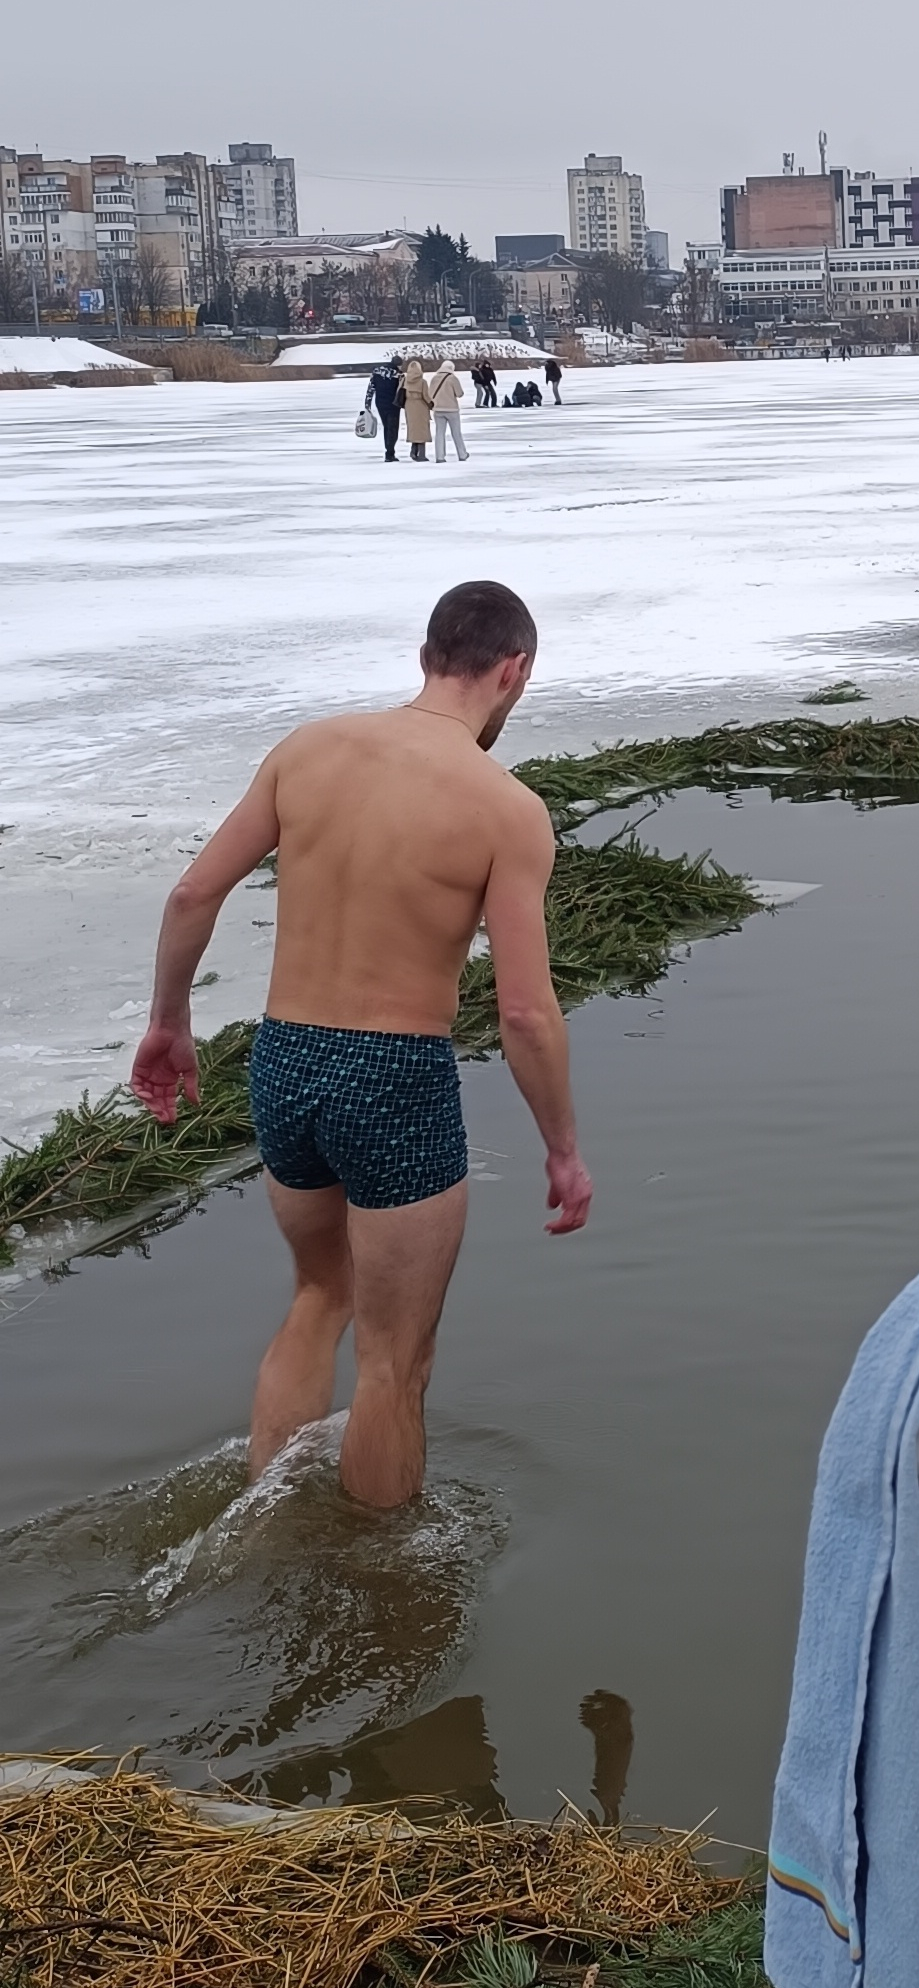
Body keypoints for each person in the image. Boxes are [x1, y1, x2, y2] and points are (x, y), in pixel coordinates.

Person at [129, 580, 592, 1511]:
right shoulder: (504, 808)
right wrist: (564, 1150)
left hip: (286, 1057)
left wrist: (169, 1024)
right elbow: (528, 1015)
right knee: (395, 1362)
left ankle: (261, 1521)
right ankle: (381, 1581)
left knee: (319, 1297)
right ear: (515, 671)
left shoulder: (308, 751)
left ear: (428, 655)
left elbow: (190, 896)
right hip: (393, 1075)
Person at [427, 355, 468, 464]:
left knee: (439, 433)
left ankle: (439, 456)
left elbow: (430, 394)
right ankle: (462, 454)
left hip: (438, 410)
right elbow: (459, 394)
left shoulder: (434, 378)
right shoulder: (452, 378)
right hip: (452, 410)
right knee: (456, 433)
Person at [364, 355, 403, 461]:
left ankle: (389, 451)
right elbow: (401, 391)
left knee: (387, 427)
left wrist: (367, 403)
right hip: (393, 405)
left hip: (380, 403)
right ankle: (390, 453)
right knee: (393, 429)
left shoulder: (377, 372)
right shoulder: (398, 375)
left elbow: (371, 388)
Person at [400, 356, 432, 462]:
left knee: (413, 430)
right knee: (422, 431)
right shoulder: (422, 382)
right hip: (420, 406)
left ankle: (413, 451)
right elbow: (426, 396)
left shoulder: (405, 380)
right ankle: (421, 454)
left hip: (409, 406)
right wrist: (432, 404)